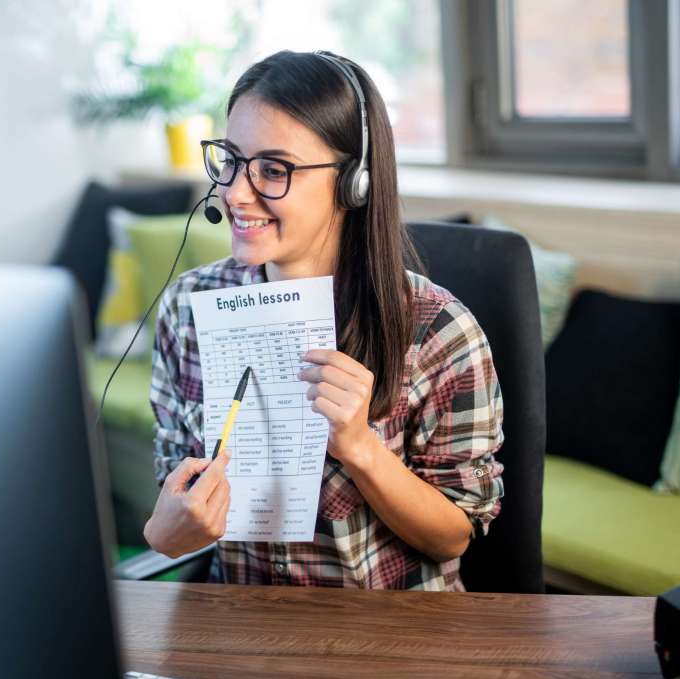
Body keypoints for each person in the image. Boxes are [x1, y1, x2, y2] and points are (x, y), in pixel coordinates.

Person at [143, 50, 504, 591]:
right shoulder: (187, 308)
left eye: (273, 169)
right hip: (246, 628)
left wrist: (360, 446)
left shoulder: (438, 331)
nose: (235, 193)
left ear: (352, 182)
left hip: (390, 637)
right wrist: (166, 533)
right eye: (231, 160)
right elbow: (173, 498)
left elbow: (453, 535)